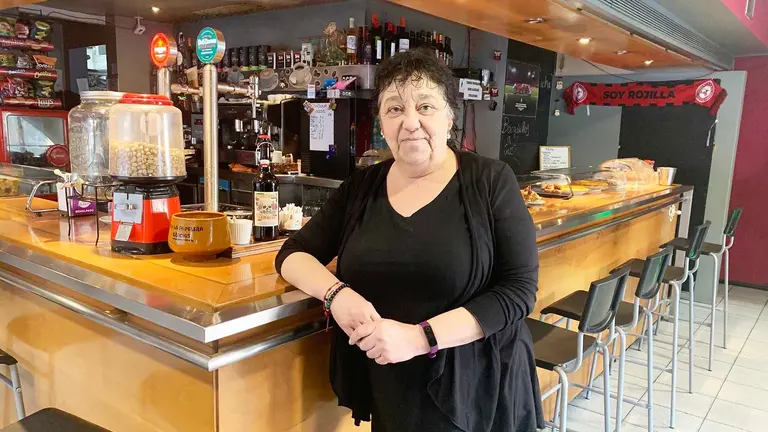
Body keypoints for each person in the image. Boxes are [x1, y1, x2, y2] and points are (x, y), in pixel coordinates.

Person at [275, 48, 543, 432]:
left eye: (425, 106)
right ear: (381, 122)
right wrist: (338, 296)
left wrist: (421, 338)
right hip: (392, 387)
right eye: (395, 109)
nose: (410, 122)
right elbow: (292, 254)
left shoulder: (490, 181)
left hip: (477, 388)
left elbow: (519, 290)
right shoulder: (361, 187)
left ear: (450, 116)